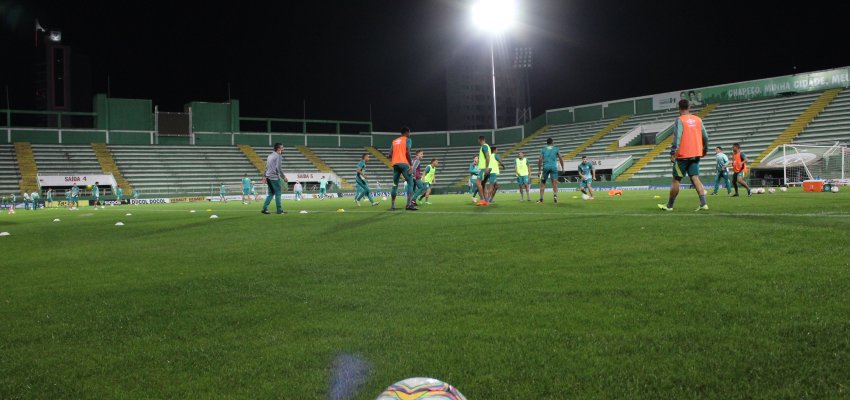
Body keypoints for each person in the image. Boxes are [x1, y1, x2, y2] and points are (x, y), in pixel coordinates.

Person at [658, 99, 710, 211]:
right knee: (695, 178)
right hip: (696, 154)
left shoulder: (680, 120)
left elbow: (677, 137)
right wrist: (705, 149)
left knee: (676, 180)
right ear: (689, 107)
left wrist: (672, 152)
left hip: (682, 155)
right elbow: (705, 136)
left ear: (679, 108)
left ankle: (669, 206)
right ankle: (703, 203)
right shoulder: (698, 119)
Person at [387, 126, 417, 211]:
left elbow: (389, 155)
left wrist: (396, 159)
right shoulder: (408, 139)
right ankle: (409, 205)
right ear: (406, 132)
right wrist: (411, 165)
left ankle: (393, 206)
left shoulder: (394, 141)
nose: (409, 134)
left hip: (395, 164)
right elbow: (407, 151)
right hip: (404, 163)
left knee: (394, 185)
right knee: (410, 183)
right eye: (409, 132)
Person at [261, 143, 287, 214]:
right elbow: (278, 168)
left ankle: (264, 208)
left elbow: (266, 167)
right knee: (278, 193)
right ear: (278, 149)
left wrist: (264, 176)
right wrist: (283, 177)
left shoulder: (269, 156)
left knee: (271, 194)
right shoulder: (278, 156)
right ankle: (279, 210)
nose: (283, 149)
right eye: (282, 148)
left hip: (268, 177)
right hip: (274, 178)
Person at [537, 138, 565, 203]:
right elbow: (560, 158)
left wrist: (539, 170)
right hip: (553, 167)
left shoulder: (543, 149)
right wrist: (563, 168)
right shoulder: (556, 148)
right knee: (554, 183)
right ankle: (555, 196)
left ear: (547, 143)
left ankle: (541, 199)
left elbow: (540, 159)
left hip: (545, 168)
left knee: (543, 184)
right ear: (552, 142)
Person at [475, 135, 492, 206]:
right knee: (483, 184)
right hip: (486, 168)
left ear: (480, 140)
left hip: (484, 168)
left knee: (478, 183)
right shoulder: (487, 146)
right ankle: (487, 201)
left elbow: (487, 156)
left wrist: (487, 167)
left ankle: (482, 200)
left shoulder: (484, 146)